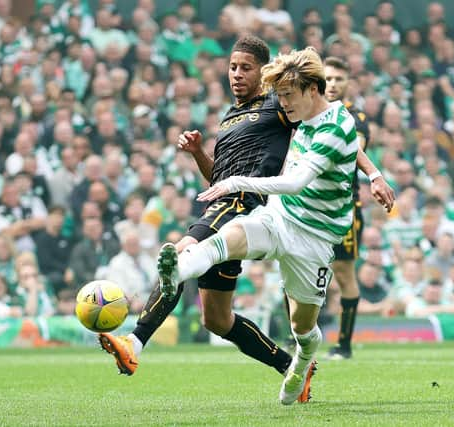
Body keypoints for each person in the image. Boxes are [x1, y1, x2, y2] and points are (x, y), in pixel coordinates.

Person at [153, 48, 394, 405]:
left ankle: (304, 356)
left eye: (287, 96)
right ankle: (180, 268)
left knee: (303, 327)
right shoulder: (299, 111)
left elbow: (295, 182)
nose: (282, 103)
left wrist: (237, 182)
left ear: (312, 90)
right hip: (280, 215)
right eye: (278, 96)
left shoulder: (335, 128)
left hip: (314, 238)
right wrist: (374, 174)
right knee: (229, 238)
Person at [99, 35, 299, 386]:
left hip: (241, 206)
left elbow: (318, 118)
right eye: (233, 67)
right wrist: (198, 153)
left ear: (263, 72)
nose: (236, 74)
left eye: (246, 68)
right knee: (217, 321)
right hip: (223, 202)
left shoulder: (277, 106)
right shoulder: (229, 117)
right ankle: (293, 368)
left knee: (177, 255)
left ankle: (134, 342)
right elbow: (217, 178)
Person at [322, 56, 392, 360]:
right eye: (328, 78)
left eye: (339, 78)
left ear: (349, 82)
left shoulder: (356, 118)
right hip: (308, 204)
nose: (333, 84)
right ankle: (296, 338)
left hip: (345, 206)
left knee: (343, 273)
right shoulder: (306, 114)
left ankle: (345, 345)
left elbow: (353, 149)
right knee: (297, 268)